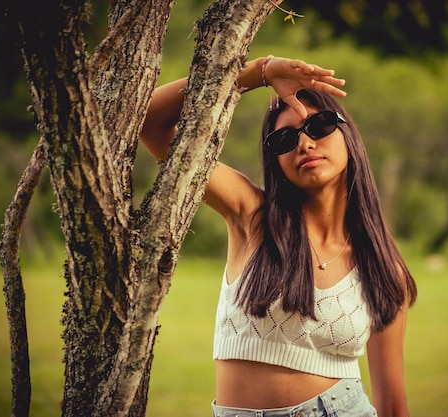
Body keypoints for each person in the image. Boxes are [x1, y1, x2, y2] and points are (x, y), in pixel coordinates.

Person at [140, 56, 417, 417]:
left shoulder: (382, 266)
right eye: (285, 139)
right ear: (276, 161)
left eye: (318, 126)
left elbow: (393, 405)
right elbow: (149, 124)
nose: (303, 144)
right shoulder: (252, 215)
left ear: (348, 135)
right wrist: (258, 73)